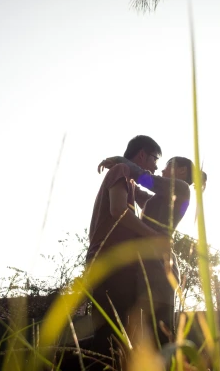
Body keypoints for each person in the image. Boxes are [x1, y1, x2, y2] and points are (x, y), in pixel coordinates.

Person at [84, 135, 186, 356]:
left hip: (124, 267)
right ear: (142, 155)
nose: (157, 167)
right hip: (109, 261)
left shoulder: (135, 181)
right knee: (110, 336)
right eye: (155, 159)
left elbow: (147, 191)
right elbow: (120, 211)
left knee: (119, 336)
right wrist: (154, 237)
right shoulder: (122, 171)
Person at [97, 155, 207, 343]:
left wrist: (121, 161)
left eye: (168, 165)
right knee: (145, 332)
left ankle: (168, 370)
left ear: (181, 171)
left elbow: (145, 178)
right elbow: (140, 194)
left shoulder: (181, 188)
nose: (162, 170)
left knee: (159, 330)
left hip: (159, 267)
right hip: (149, 266)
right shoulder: (162, 198)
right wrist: (124, 179)